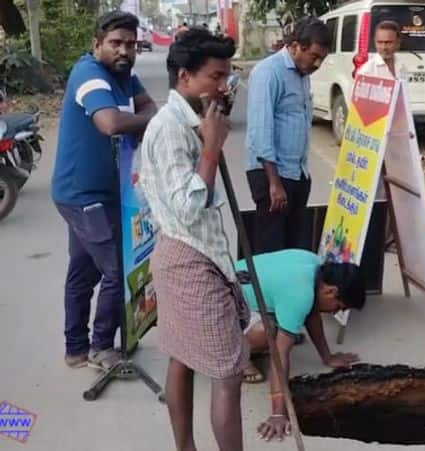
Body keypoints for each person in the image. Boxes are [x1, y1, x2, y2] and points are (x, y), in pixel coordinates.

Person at [137, 28, 246, 450]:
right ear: (184, 75)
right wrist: (212, 150)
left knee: (183, 358)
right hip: (189, 258)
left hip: (194, 252)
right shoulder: (168, 128)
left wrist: (208, 136)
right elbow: (187, 207)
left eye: (226, 77)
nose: (222, 87)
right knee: (227, 373)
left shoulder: (192, 119)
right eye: (215, 77)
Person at [51, 10, 157, 370]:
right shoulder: (89, 73)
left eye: (130, 44)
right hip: (83, 196)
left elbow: (147, 105)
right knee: (115, 270)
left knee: (83, 271)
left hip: (104, 192)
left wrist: (146, 117)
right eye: (115, 43)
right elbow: (110, 122)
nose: (124, 50)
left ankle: (76, 349)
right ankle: (101, 347)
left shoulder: (125, 75)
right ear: (96, 44)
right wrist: (148, 121)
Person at [233, 251, 364, 441]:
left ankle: (248, 337)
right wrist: (278, 413)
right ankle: (238, 354)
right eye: (338, 307)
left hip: (244, 293)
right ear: (331, 291)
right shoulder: (300, 294)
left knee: (288, 328)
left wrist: (327, 357)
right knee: (268, 333)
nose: (335, 311)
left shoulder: (314, 265)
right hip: (219, 307)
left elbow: (312, 314)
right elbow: (279, 355)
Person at [245, 17, 331, 253]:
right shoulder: (268, 73)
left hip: (297, 174)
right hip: (272, 175)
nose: (317, 63)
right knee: (272, 248)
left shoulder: (302, 74)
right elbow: (261, 130)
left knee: (294, 247)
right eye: (314, 56)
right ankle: (268, 291)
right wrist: (274, 183)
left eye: (322, 59)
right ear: (295, 46)